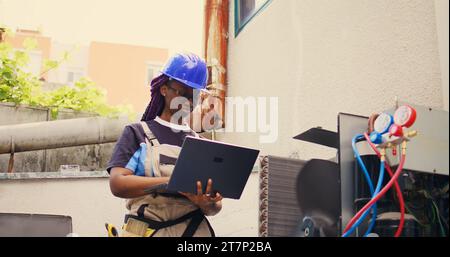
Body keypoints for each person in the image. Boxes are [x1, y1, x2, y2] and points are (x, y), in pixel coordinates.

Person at [107, 53, 222, 237]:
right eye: (182, 92)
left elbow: (213, 209)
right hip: (147, 230)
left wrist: (205, 201)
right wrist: (171, 183)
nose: (188, 100)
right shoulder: (138, 133)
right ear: (163, 89)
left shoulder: (201, 145)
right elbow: (118, 184)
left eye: (194, 94)